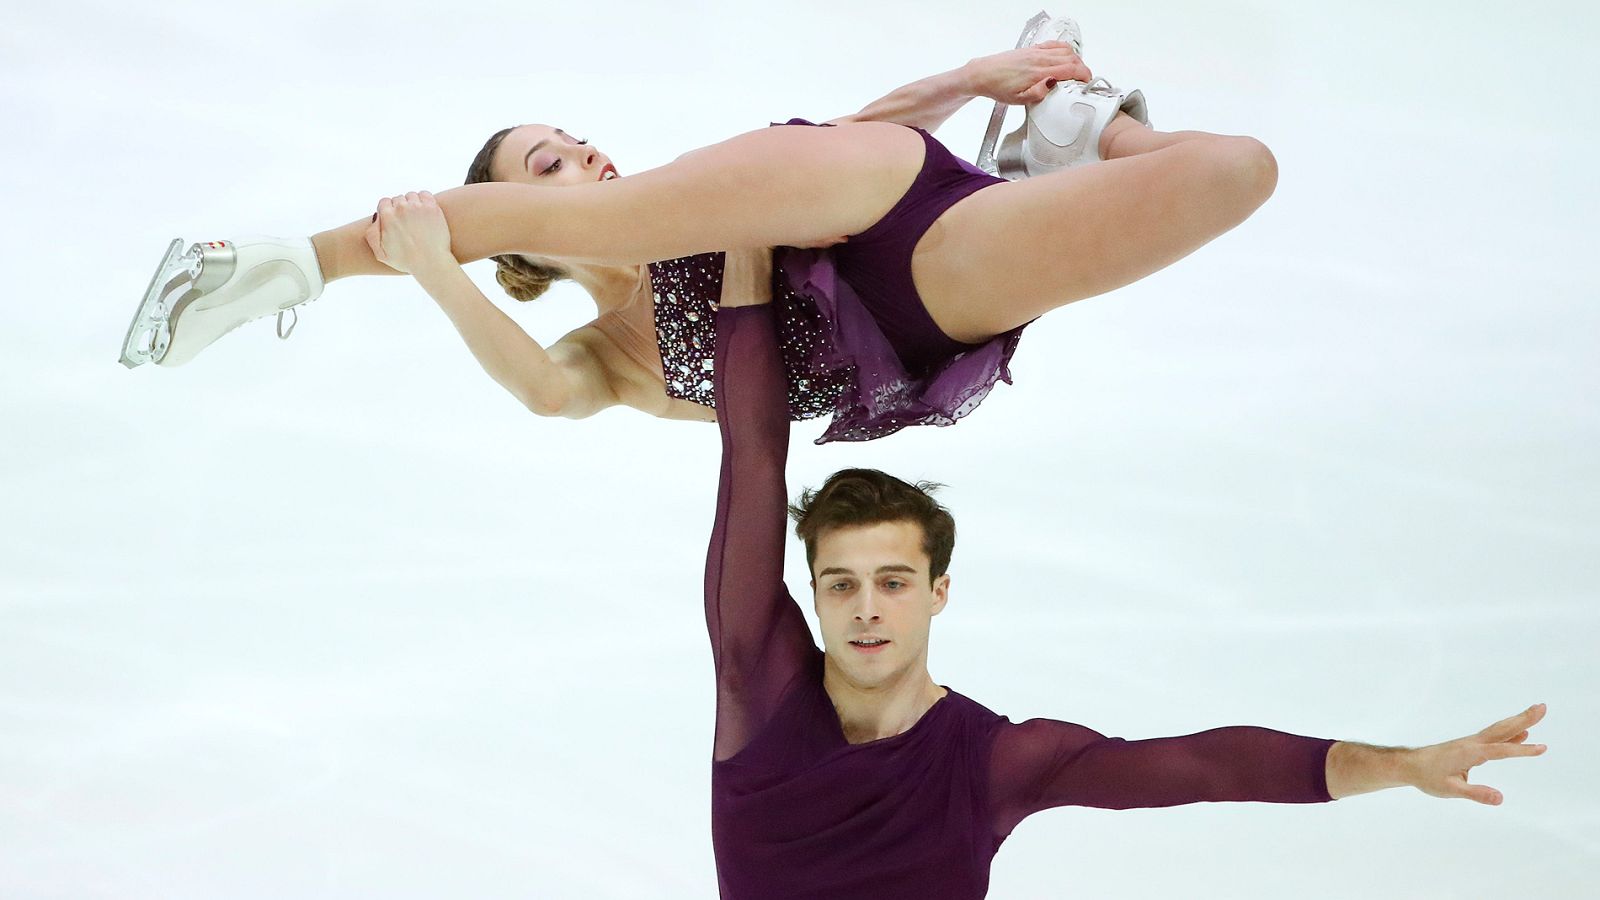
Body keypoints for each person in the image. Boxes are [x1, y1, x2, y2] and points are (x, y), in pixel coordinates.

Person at [700, 282, 1549, 897]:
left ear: (939, 592)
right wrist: (743, 251)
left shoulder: (990, 762)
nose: (867, 607)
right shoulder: (760, 687)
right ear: (811, 596)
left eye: (893, 581)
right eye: (840, 584)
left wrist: (1402, 767)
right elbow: (751, 457)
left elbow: (1205, 765)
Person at [120, 18, 1261, 442]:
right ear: (510, 255)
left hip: (867, 183)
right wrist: (432, 271)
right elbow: (538, 394)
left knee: (656, 202)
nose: (583, 152)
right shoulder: (605, 366)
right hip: (922, 299)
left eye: (574, 138)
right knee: (1231, 173)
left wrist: (972, 74)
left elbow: (846, 137)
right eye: (546, 162)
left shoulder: (661, 194)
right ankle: (1073, 140)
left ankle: (258, 271)